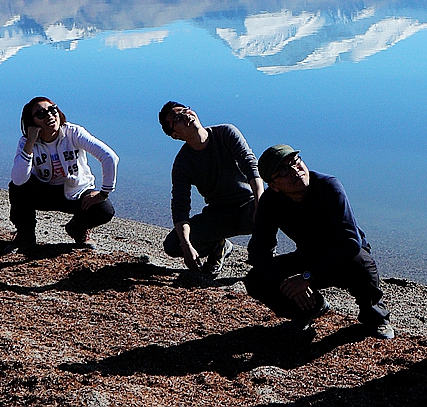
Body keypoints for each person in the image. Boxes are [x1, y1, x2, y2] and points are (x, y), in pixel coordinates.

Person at [243, 144, 393, 340]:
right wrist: (285, 281)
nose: (295, 171)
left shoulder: (329, 186)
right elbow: (258, 251)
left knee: (362, 263)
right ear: (274, 185)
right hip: (309, 255)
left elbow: (350, 241)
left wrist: (307, 277)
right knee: (256, 279)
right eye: (284, 171)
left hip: (343, 257)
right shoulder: (270, 202)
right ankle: (308, 310)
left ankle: (376, 318)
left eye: (296, 162)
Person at [158, 101, 264, 276]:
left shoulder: (226, 133)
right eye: (178, 118)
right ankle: (218, 246)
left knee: (277, 207)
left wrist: (261, 204)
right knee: (173, 245)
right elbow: (180, 206)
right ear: (176, 135)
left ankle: (268, 257)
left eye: (186, 110)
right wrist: (187, 247)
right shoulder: (182, 163)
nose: (186, 115)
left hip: (249, 206)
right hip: (218, 215)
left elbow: (252, 167)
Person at [8, 97, 119, 251]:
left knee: (104, 210)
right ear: (32, 122)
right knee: (16, 188)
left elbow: (109, 157)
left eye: (52, 109)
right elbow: (18, 179)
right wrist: (30, 144)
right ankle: (25, 237)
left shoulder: (74, 133)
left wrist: (104, 193)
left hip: (76, 192)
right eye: (41, 114)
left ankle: (78, 228)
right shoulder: (26, 142)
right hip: (44, 191)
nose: (49, 116)